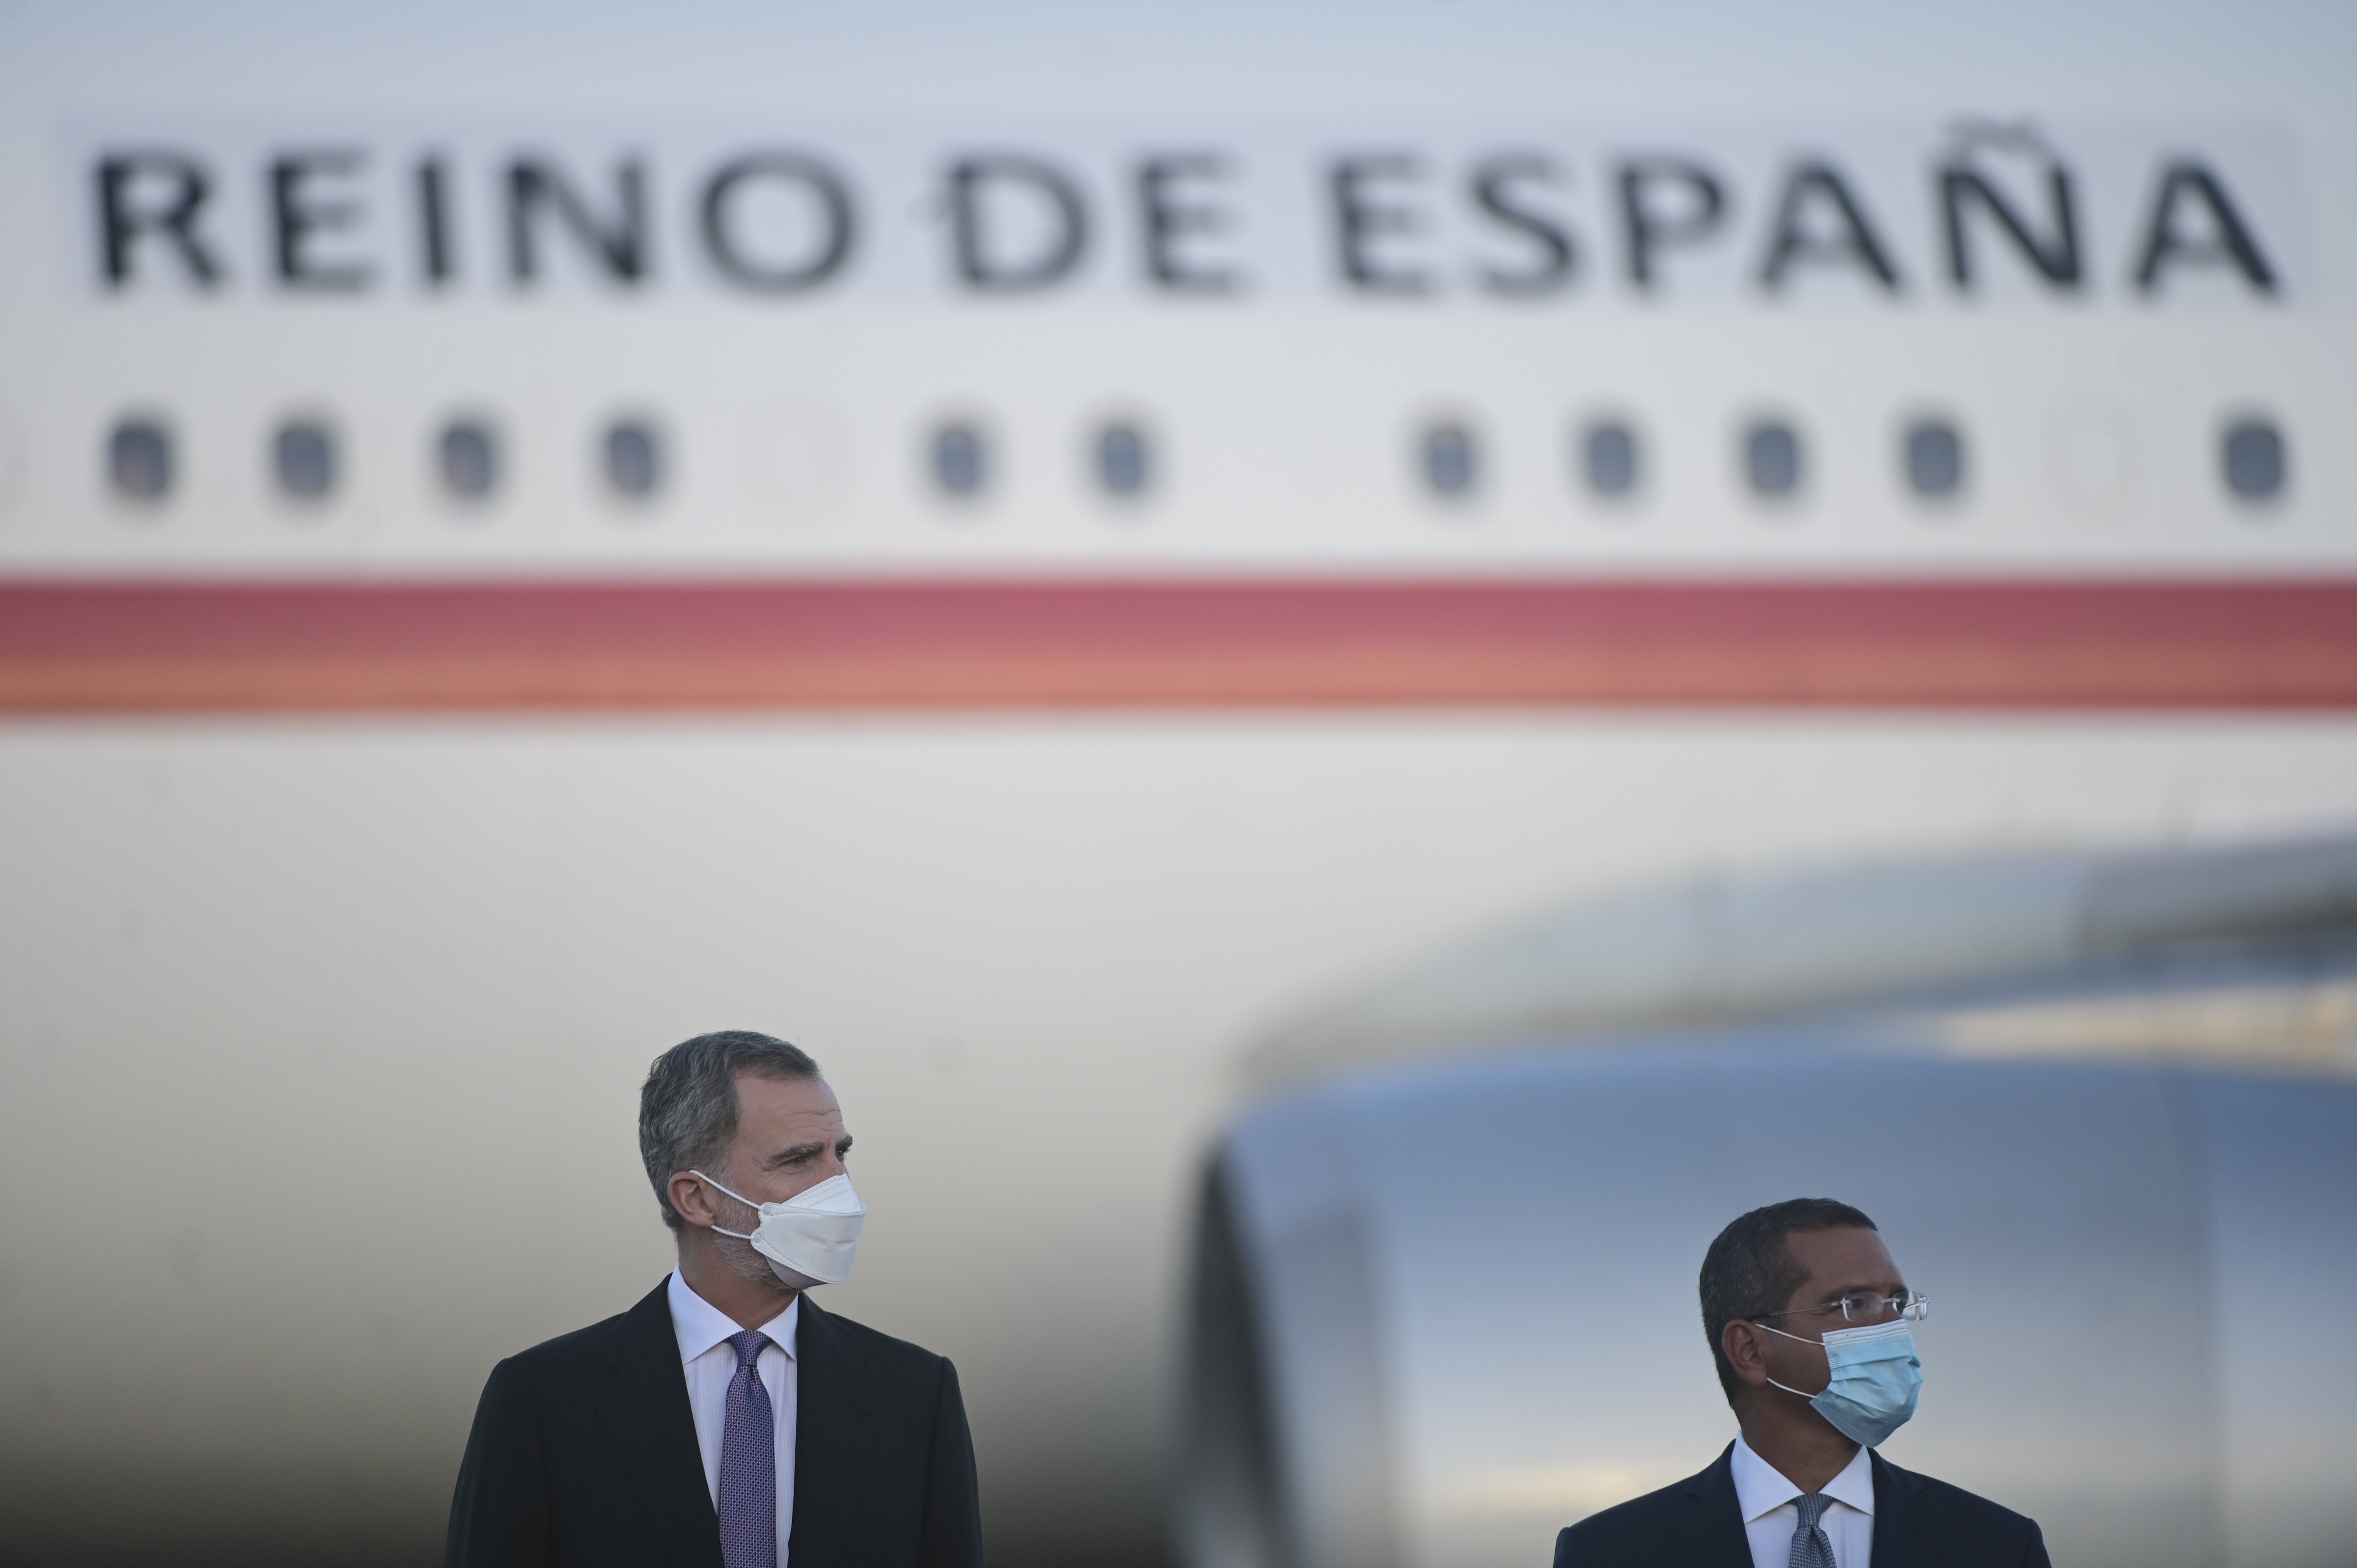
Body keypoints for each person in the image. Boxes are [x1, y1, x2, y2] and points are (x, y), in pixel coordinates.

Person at [445, 1030, 984, 1568]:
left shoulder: (915, 1393)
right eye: (799, 1160)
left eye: (838, 1154)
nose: (839, 1186)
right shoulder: (543, 1399)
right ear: (697, 1198)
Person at [1553, 1198, 2048, 1568]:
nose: (1890, 1328)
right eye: (1855, 1304)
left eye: (1898, 1303)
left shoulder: (1998, 1545)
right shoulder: (1610, 1552)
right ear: (1750, 1350)